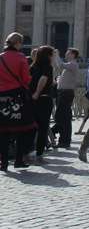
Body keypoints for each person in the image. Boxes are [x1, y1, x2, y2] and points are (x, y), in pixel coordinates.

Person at [0, 32, 35, 170]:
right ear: (17, 43)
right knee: (22, 130)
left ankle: (3, 163)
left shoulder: (0, 57)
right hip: (17, 97)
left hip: (1, 97)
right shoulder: (21, 58)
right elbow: (26, 79)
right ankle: (19, 160)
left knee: (3, 132)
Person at [29, 45, 55, 163]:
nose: (54, 57)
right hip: (43, 99)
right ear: (48, 55)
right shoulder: (48, 67)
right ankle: (39, 155)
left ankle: (27, 153)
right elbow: (44, 79)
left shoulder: (32, 66)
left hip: (32, 101)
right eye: (52, 54)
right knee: (43, 128)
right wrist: (37, 92)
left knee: (31, 128)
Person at [51, 47, 80, 148]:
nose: (66, 54)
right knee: (63, 116)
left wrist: (56, 55)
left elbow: (60, 65)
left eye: (68, 53)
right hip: (63, 93)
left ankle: (58, 135)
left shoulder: (73, 64)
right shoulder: (70, 66)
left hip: (66, 93)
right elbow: (57, 66)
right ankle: (59, 136)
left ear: (73, 54)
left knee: (62, 116)